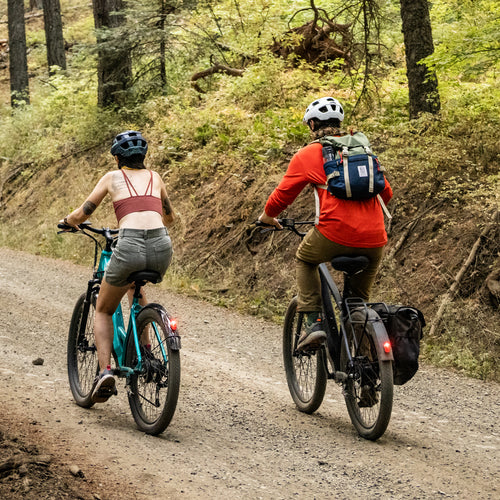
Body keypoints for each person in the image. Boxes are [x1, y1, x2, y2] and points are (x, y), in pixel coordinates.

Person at [259, 97, 393, 351]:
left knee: (306, 259)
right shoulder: (362, 150)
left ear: (312, 124)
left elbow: (283, 195)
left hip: (333, 234)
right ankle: (366, 377)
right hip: (375, 238)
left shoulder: (309, 154)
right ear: (339, 123)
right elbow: (386, 194)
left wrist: (267, 217)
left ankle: (314, 322)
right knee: (358, 304)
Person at [60, 130, 175, 403]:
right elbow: (169, 217)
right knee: (135, 285)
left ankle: (104, 373)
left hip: (129, 247)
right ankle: (146, 352)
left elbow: (83, 213)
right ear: (143, 157)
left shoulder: (112, 177)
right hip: (162, 248)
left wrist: (68, 221)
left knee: (103, 308)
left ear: (116, 158)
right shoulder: (156, 177)